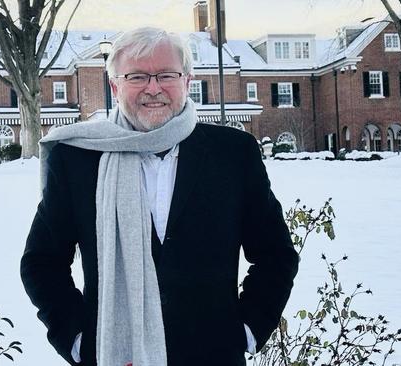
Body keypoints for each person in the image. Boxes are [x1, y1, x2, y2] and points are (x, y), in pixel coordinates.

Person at [20, 27, 299, 366]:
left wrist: (248, 330)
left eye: (166, 75)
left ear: (187, 80)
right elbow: (42, 262)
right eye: (137, 76)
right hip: (115, 355)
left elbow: (275, 255)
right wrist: (78, 340)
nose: (153, 88)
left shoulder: (233, 153)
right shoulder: (78, 159)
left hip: (213, 356)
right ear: (114, 86)